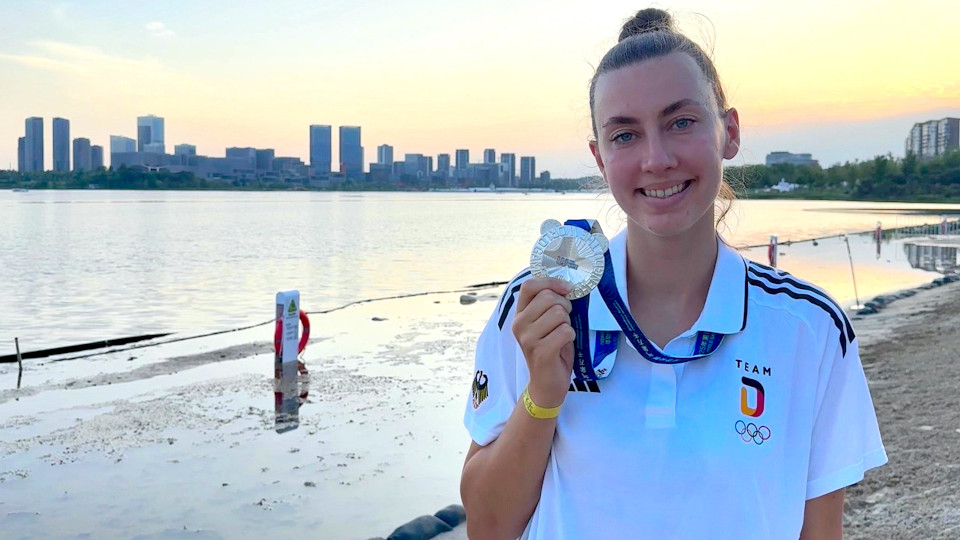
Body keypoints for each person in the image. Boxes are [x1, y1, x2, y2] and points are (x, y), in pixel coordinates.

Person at [460, 8, 886, 540]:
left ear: (728, 132)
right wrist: (543, 394)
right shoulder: (539, 307)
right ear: (599, 156)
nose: (656, 159)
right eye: (624, 135)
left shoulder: (809, 327)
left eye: (681, 122)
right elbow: (487, 527)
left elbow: (819, 532)